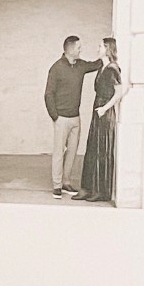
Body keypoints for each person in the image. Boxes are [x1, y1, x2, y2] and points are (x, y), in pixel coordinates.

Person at [44, 33, 103, 198]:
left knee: (72, 151)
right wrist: (55, 116)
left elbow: (95, 65)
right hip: (61, 118)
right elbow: (48, 94)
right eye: (79, 47)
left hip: (75, 118)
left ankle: (66, 182)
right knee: (58, 152)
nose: (80, 49)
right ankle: (57, 185)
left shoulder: (80, 65)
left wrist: (105, 55)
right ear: (70, 50)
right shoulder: (56, 68)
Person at [78, 35, 124, 205]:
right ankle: (88, 187)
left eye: (100, 46)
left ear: (107, 49)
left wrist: (105, 108)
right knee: (93, 147)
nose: (98, 49)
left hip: (105, 112)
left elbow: (119, 92)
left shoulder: (113, 69)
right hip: (98, 109)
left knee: (101, 149)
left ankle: (100, 190)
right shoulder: (102, 68)